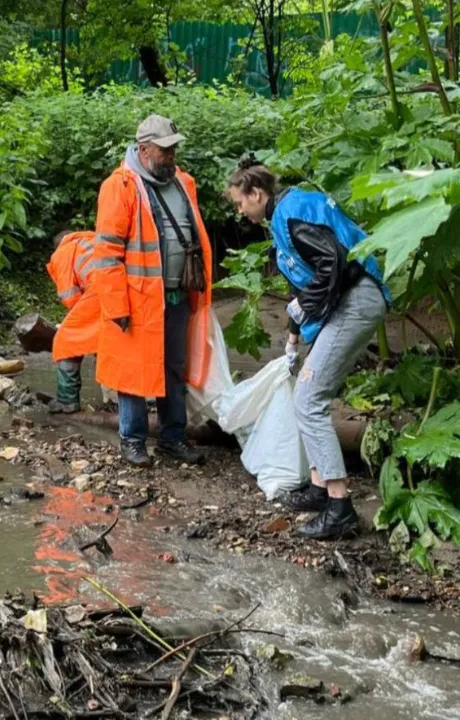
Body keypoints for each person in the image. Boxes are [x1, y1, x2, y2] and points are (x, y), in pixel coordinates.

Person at [226, 157, 391, 540]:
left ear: (256, 193)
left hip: (357, 298)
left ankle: (339, 506)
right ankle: (318, 489)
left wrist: (306, 308)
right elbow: (308, 283)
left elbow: (332, 262)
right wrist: (293, 334)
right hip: (350, 299)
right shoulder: (289, 211)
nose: (240, 211)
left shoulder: (291, 214)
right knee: (307, 388)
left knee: (308, 397)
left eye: (240, 202)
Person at [93, 114, 213, 468]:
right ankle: (133, 441)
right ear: (144, 150)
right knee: (133, 372)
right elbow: (107, 252)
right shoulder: (120, 187)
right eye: (165, 151)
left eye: (174, 149)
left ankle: (172, 438)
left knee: (174, 368)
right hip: (137, 301)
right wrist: (117, 306)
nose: (171, 156)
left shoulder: (182, 182)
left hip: (176, 297)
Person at [45, 229, 102, 413]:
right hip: (121, 291)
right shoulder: (92, 240)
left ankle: (67, 400)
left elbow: (70, 296)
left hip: (99, 292)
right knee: (105, 343)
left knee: (65, 341)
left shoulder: (63, 251)